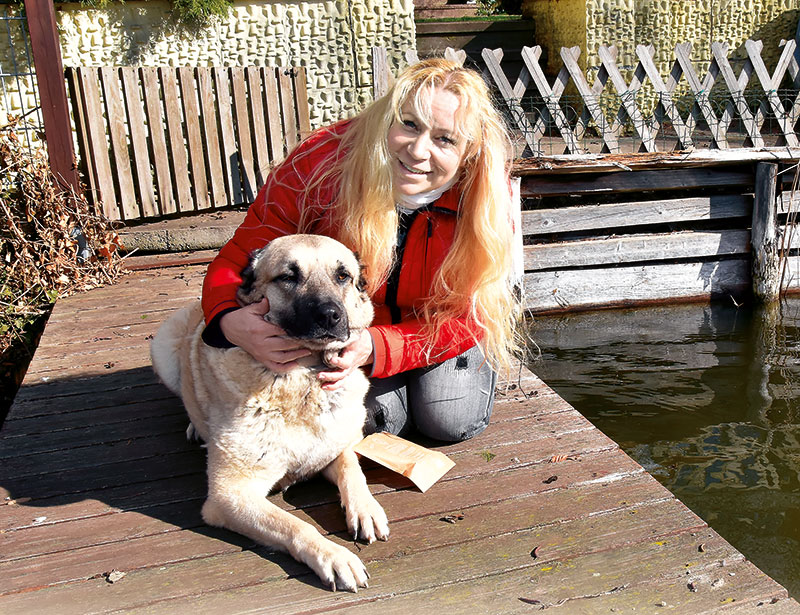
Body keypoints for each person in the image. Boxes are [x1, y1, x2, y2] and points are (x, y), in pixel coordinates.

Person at [200, 58, 520, 442]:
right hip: (343, 327)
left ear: (468, 151)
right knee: (382, 423)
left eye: (445, 139)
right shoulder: (319, 162)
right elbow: (243, 254)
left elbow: (476, 310)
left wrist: (381, 347)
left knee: (449, 420)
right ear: (387, 117)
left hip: (435, 325)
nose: (418, 151)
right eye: (409, 124)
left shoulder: (486, 196)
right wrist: (229, 322)